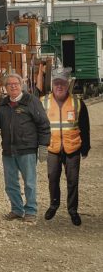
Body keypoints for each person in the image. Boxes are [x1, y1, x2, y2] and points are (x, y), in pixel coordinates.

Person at [0, 72, 51, 223]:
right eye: (9, 84)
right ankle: (17, 210)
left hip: (27, 150)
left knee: (29, 183)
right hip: (8, 150)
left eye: (15, 84)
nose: (13, 87)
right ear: (5, 88)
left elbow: (44, 124)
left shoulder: (31, 101)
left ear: (21, 85)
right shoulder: (3, 104)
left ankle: (30, 211)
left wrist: (43, 145)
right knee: (11, 183)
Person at [41, 68, 91, 226]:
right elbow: (38, 126)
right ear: (52, 85)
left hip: (72, 148)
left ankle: (73, 210)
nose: (59, 86)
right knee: (53, 179)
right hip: (52, 147)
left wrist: (85, 147)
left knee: (73, 181)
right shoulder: (44, 102)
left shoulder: (77, 103)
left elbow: (85, 126)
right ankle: (53, 205)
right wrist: (39, 147)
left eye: (62, 83)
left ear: (67, 84)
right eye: (56, 83)